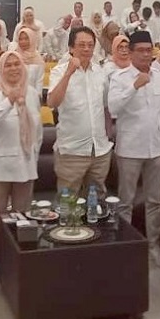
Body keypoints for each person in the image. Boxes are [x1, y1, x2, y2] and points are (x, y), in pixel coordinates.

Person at [107, 31, 160, 267]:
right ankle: (126, 247)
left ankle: (153, 245)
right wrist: (134, 86)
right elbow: (113, 108)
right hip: (130, 149)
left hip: (156, 148)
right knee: (126, 202)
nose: (146, 55)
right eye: (141, 50)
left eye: (149, 50)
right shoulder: (120, 77)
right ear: (131, 52)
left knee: (154, 201)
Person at [0, 51, 42, 256]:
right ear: (1, 69)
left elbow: (37, 130)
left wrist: (34, 153)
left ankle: (18, 259)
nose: (14, 68)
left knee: (23, 217)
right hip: (0, 166)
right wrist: (9, 100)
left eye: (17, 64)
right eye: (8, 65)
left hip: (26, 164)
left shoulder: (31, 93)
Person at [47, 26, 112, 196]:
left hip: (99, 150)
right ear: (71, 48)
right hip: (72, 152)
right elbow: (52, 102)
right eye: (81, 45)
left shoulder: (100, 72)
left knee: (96, 202)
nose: (86, 49)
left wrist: (107, 135)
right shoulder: (59, 72)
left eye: (90, 45)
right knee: (68, 204)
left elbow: (106, 106)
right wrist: (68, 73)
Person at [13, 27, 45, 97]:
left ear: (31, 39)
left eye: (26, 39)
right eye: (20, 39)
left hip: (32, 97)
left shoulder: (38, 59)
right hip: (14, 96)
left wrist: (37, 99)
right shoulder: (14, 57)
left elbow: (39, 82)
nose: (23, 42)